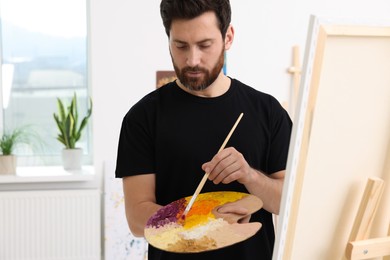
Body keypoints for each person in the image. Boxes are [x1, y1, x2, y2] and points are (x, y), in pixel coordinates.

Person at [115, 0, 292, 259]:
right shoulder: (142, 117)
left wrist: (249, 176)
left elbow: (288, 204)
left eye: (204, 45)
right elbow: (136, 219)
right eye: (180, 46)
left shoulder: (268, 111)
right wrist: (204, 218)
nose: (192, 60)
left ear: (228, 37)